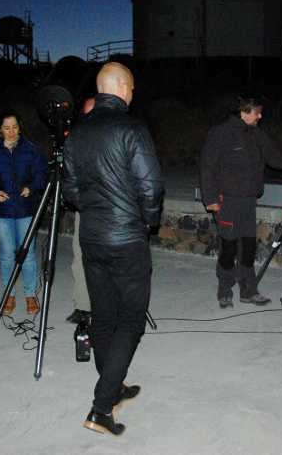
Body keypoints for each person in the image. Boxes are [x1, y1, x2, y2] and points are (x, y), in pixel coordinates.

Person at [63, 62, 164, 436]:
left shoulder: (77, 133)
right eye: (133, 89)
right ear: (122, 88)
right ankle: (101, 407)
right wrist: (146, 222)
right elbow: (151, 185)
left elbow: (71, 189)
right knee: (132, 320)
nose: (133, 95)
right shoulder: (132, 128)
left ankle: (114, 382)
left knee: (103, 316)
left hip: (91, 236)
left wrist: (94, 211)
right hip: (125, 238)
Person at [200, 95, 282, 308]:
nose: (260, 116)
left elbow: (276, 158)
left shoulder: (255, 134)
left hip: (248, 201)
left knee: (249, 248)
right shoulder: (221, 133)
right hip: (227, 201)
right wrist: (211, 199)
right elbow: (208, 167)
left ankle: (248, 290)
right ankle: (224, 291)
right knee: (229, 248)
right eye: (256, 112)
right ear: (243, 113)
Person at [0, 109, 47, 316]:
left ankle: (30, 294)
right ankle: (9, 295)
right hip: (1, 211)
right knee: (8, 254)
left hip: (25, 209)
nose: (11, 131)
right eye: (7, 128)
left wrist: (32, 188)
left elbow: (42, 174)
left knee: (27, 254)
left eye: (15, 127)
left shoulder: (31, 149)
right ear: (0, 129)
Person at [66, 97, 96, 325]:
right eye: (86, 113)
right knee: (80, 256)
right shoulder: (76, 140)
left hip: (110, 208)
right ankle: (83, 306)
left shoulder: (116, 134)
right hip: (84, 206)